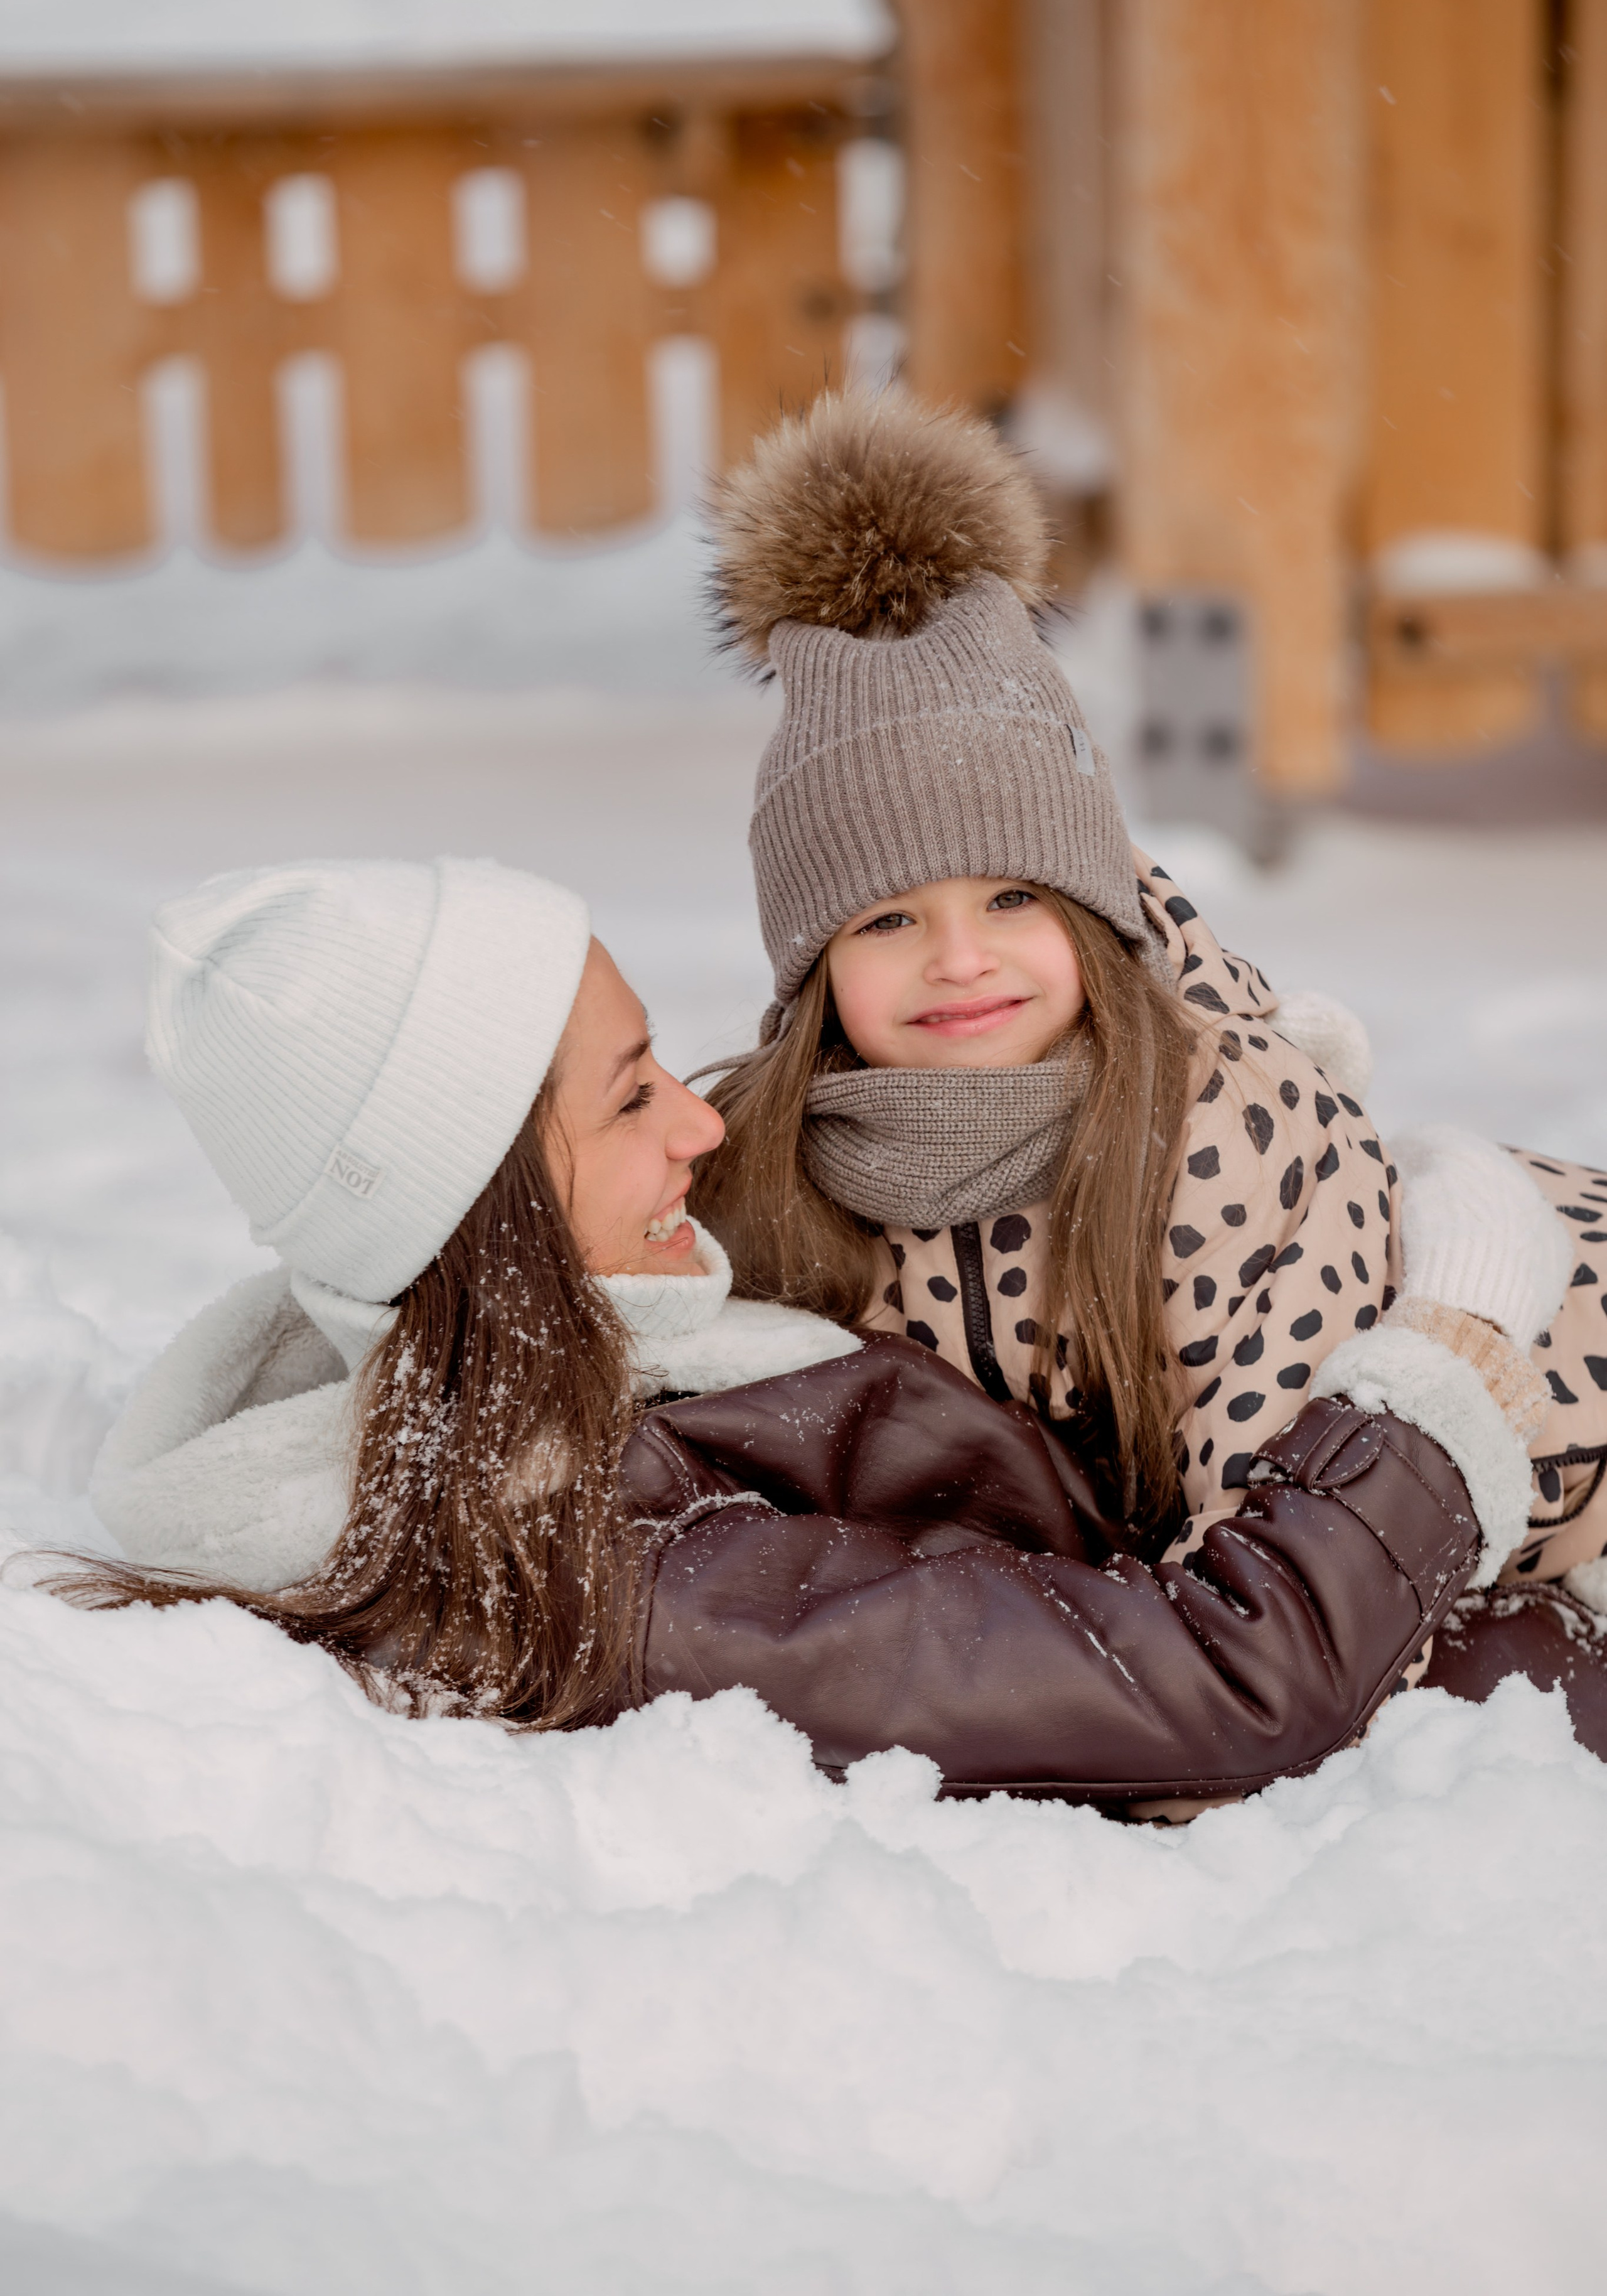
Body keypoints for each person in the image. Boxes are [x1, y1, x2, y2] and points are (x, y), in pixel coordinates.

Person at [49, 854, 1548, 1803]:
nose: (700, 1121)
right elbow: (1230, 1684)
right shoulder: (612, 1568)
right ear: (481, 1205)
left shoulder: (580, 1369)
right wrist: (1444, 1358)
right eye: (632, 1095)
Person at [690, 387, 1607, 1748]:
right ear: (808, 971)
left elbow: (1287, 1592)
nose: (960, 960)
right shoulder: (769, 1159)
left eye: (1014, 900)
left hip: (1524, 1401)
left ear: (1093, 910)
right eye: (887, 920)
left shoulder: (1217, 1136)